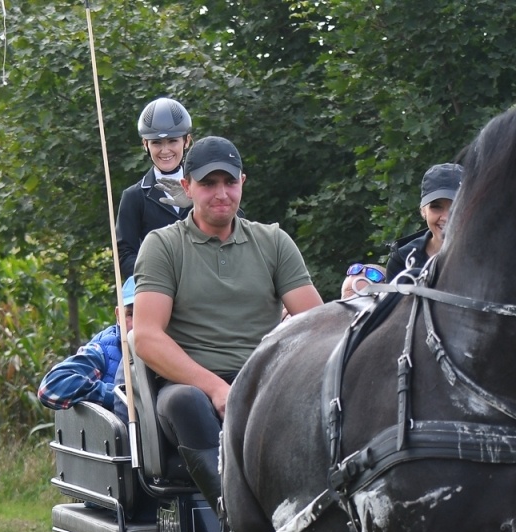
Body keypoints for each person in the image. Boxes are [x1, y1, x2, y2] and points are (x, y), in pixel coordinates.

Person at [133, 135, 322, 503]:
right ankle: (231, 515)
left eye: (229, 182)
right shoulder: (163, 246)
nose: (221, 193)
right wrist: (216, 389)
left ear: (242, 183)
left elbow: (318, 323)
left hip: (266, 382)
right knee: (186, 402)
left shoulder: (274, 242)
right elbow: (146, 337)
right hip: (190, 388)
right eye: (208, 184)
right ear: (187, 186)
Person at [116, 97, 193, 278]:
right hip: (158, 287)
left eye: (173, 141)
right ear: (146, 144)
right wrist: (160, 278)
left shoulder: (205, 187)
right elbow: (125, 255)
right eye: (156, 142)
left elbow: (234, 223)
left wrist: (196, 201)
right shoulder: (134, 197)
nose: (165, 150)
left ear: (186, 141)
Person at [38, 277, 134, 421]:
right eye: (130, 314)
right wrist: (116, 395)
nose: (137, 322)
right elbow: (50, 387)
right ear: (118, 315)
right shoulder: (102, 351)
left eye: (145, 314)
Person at [385, 162, 463, 280]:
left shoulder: (486, 256)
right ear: (423, 211)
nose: (446, 217)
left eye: (456, 206)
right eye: (436, 207)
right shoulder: (401, 261)